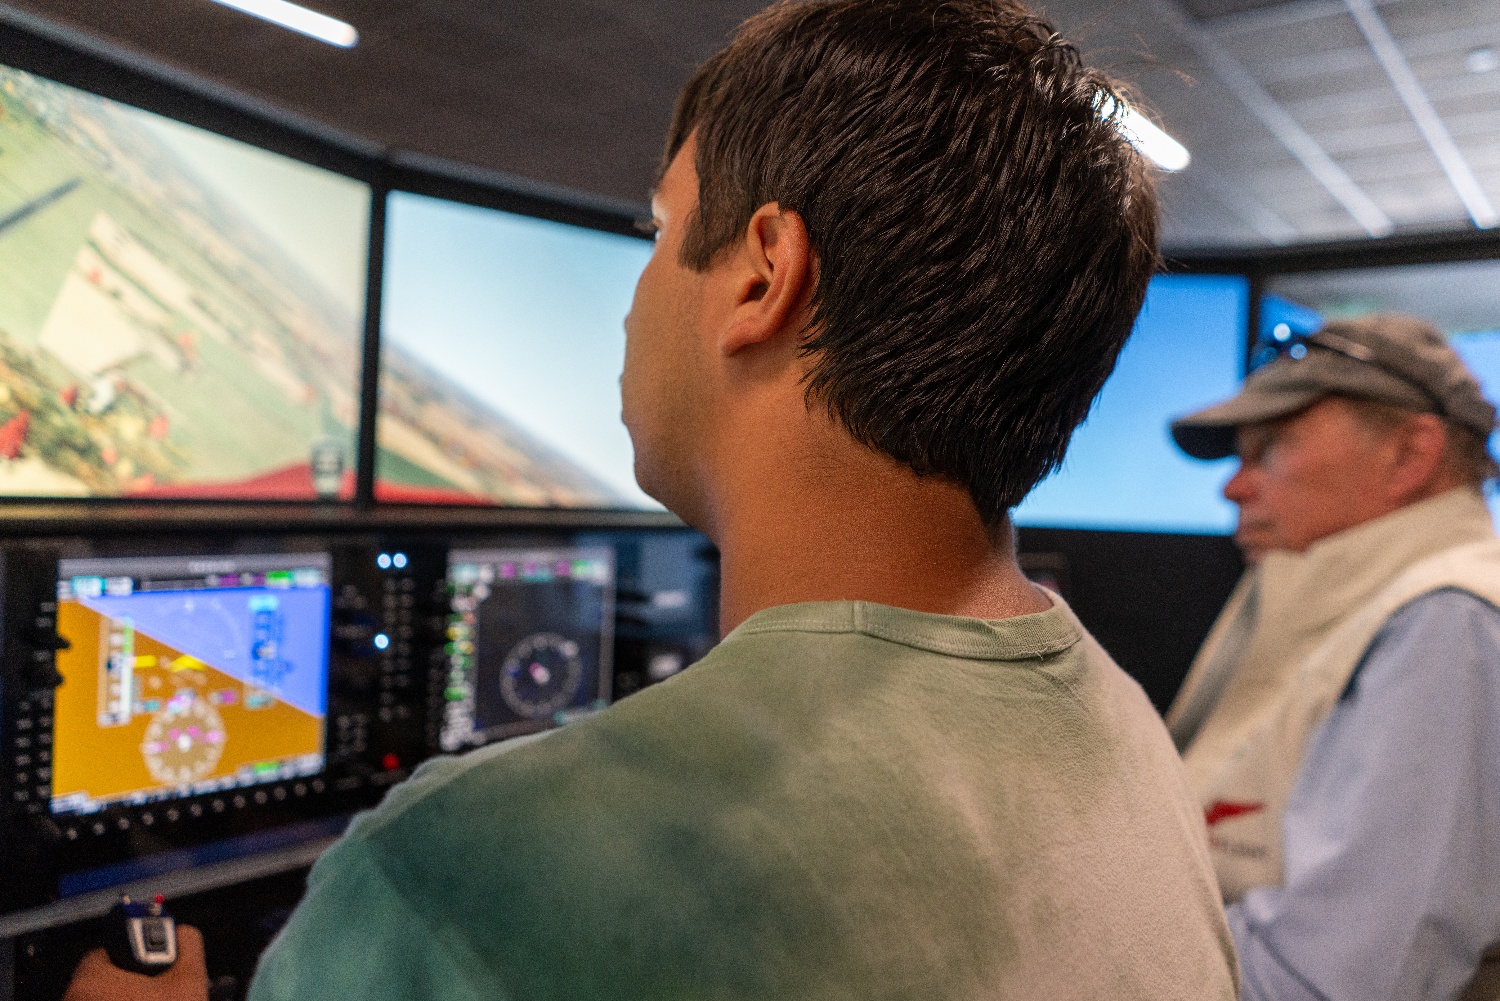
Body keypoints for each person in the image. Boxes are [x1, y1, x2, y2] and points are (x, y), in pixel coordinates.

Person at [65, 2, 1237, 998]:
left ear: (763, 276)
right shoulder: (1119, 729)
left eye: (659, 226)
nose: (635, 296)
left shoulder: (470, 871)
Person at [1167, 313, 1500, 1001]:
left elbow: (1336, 982)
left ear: (1410, 455)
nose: (1234, 485)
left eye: (1272, 449)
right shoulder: (1345, 594)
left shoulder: (1448, 623)